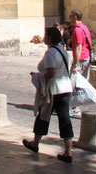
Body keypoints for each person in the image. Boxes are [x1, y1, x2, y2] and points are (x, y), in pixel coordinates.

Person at [22, 26, 74, 164]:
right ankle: (68, 151)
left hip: (54, 90)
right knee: (64, 119)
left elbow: (50, 73)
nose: (43, 37)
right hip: (65, 88)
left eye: (45, 35)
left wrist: (38, 78)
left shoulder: (51, 53)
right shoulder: (63, 51)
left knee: (43, 116)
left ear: (50, 38)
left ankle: (35, 144)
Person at [69, 9, 96, 118]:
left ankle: (76, 108)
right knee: (83, 84)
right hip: (86, 58)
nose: (69, 18)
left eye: (70, 16)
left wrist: (75, 64)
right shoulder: (84, 27)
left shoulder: (77, 30)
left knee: (76, 85)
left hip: (81, 59)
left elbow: (78, 47)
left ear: (75, 17)